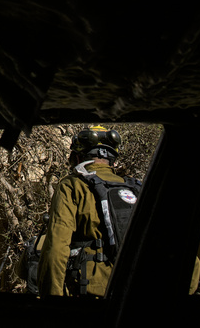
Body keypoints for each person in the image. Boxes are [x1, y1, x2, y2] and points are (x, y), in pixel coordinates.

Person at [37, 125, 139, 298]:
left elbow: (56, 248)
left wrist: (51, 300)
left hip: (91, 294)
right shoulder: (136, 188)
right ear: (112, 160)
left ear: (78, 158)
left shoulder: (73, 185)